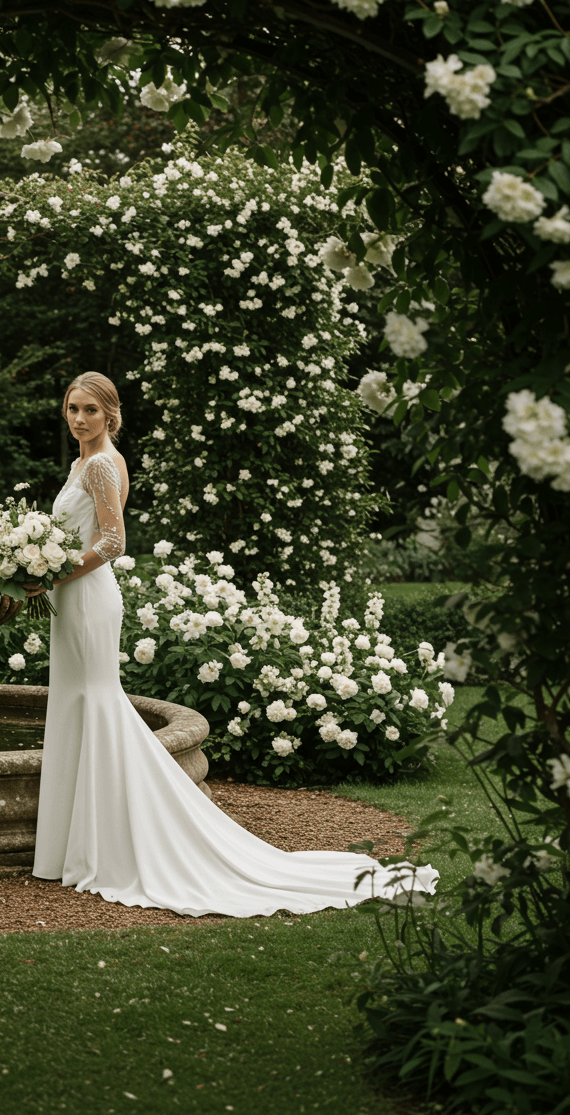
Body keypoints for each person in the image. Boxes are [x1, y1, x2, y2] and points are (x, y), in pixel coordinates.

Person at [30, 371, 438, 916]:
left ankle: (117, 843)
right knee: (79, 703)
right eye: (73, 408)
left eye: (90, 411)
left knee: (98, 703)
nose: (79, 419)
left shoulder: (103, 463)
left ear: (111, 415)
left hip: (85, 596)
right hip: (71, 597)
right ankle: (75, 845)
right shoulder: (82, 462)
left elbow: (114, 540)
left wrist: (52, 572)